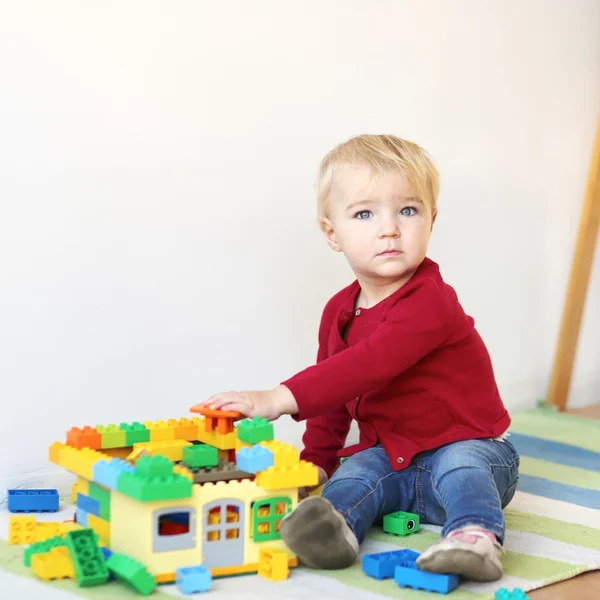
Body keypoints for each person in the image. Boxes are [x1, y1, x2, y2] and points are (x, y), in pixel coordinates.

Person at [199, 134, 519, 582]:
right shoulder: (338, 312)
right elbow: (335, 393)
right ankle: (332, 531)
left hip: (469, 446)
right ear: (333, 234)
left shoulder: (432, 301)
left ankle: (473, 538)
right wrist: (314, 464)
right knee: (354, 477)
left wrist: (278, 397)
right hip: (392, 458)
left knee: (463, 468)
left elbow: (368, 364)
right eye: (365, 213)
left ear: (432, 220)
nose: (389, 228)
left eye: (408, 211)